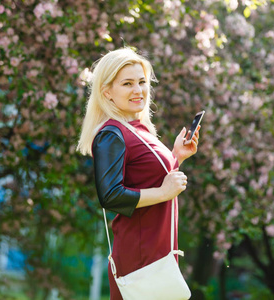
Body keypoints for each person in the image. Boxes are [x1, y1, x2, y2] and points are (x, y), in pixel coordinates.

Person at [77, 47, 200, 299]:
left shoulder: (138, 130)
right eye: (127, 83)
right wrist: (164, 191)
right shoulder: (111, 134)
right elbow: (110, 196)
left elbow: (151, 180)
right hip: (140, 262)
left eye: (142, 82)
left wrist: (176, 157)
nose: (138, 90)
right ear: (107, 92)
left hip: (159, 258)